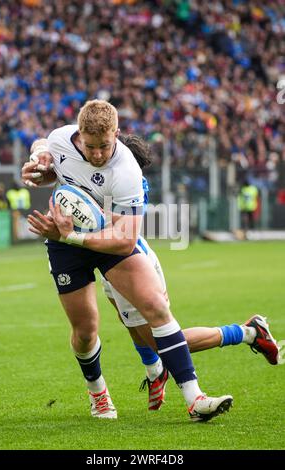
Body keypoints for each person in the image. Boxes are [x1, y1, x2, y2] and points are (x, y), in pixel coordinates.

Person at [24, 132, 279, 413]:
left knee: (162, 338)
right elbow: (50, 152)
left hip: (118, 250)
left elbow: (120, 237)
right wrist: (41, 159)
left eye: (105, 152)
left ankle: (246, 333)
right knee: (116, 326)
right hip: (88, 247)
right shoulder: (79, 155)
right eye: (93, 150)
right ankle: (153, 372)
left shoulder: (127, 180)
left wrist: (70, 234)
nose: (97, 158)